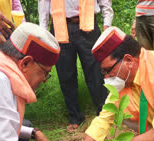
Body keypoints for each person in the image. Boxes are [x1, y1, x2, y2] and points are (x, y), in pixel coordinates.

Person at [38, 0, 113, 132]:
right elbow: (43, 4)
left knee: (95, 71)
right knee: (65, 74)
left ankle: (104, 113)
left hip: (89, 26)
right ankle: (75, 117)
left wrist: (107, 24)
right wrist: (43, 33)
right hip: (60, 26)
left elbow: (105, 2)